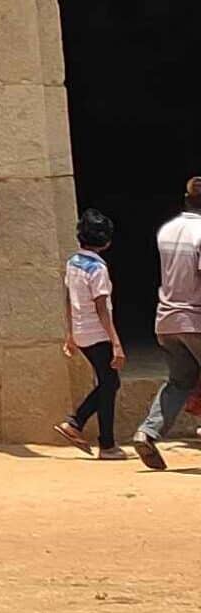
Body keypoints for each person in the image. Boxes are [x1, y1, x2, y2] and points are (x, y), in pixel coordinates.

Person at [131, 175, 201, 472]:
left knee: (180, 381)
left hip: (166, 320)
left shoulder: (167, 230)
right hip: (195, 318)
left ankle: (147, 432)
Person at [57, 210, 126, 458]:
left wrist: (71, 333)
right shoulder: (97, 269)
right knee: (109, 384)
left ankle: (81, 426)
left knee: (108, 383)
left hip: (82, 332)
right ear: (106, 241)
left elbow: (68, 299)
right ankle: (101, 441)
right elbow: (101, 308)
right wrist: (116, 343)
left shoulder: (72, 263)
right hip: (97, 334)